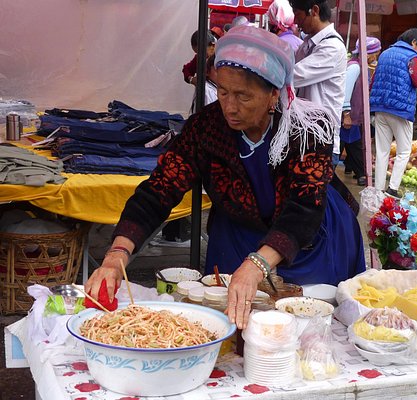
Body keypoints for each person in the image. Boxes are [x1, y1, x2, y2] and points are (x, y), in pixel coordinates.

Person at [85, 25, 366, 329]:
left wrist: (257, 264)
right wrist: (117, 253)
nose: (229, 107)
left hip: (310, 239)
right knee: (233, 326)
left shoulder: (309, 129)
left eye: (243, 96)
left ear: (274, 93)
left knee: (303, 329)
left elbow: (303, 210)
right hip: (238, 233)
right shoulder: (205, 128)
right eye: (222, 91)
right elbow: (159, 189)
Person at [290, 0, 347, 168]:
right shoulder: (306, 45)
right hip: (302, 136)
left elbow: (293, 76)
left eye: (298, 14)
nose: (295, 20)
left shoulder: (332, 47)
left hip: (321, 142)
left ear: (314, 10)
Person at [370, 28, 417, 198]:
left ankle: (378, 188)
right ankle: (392, 188)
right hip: (400, 110)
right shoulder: (412, 57)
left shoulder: (385, 54)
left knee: (382, 150)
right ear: (414, 42)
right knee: (403, 151)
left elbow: (374, 79)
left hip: (380, 106)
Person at [341, 37, 381, 186]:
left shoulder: (360, 67)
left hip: (355, 114)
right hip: (350, 114)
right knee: (353, 144)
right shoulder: (355, 68)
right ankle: (361, 174)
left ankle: (353, 169)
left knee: (352, 143)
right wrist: (346, 114)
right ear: (368, 54)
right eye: (375, 54)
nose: (375, 58)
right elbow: (346, 90)